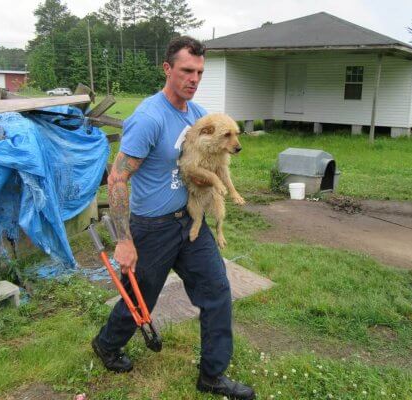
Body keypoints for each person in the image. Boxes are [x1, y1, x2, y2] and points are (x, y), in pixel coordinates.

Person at [91, 36, 255, 400]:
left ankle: (212, 377)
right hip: (152, 228)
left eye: (199, 72)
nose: (193, 79)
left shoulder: (199, 117)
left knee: (217, 291)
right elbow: (118, 178)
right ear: (167, 69)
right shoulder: (148, 118)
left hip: (188, 222)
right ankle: (106, 344)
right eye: (186, 71)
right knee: (142, 297)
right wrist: (123, 239)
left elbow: (206, 161)